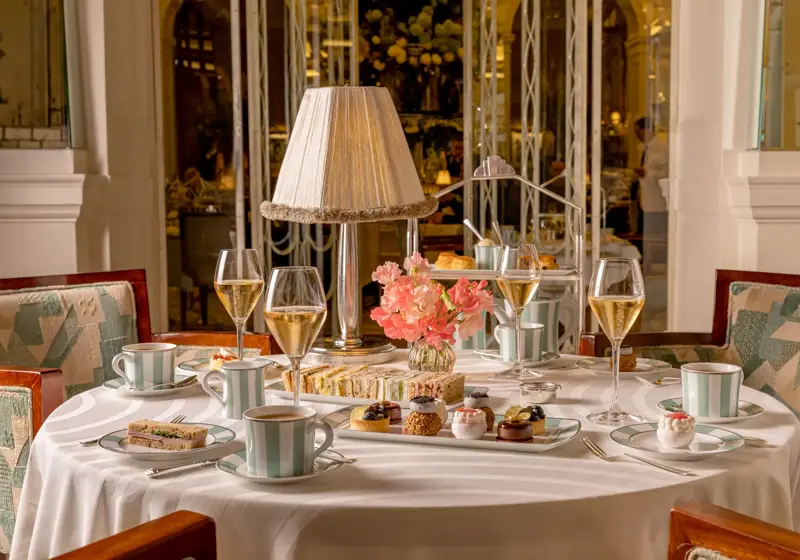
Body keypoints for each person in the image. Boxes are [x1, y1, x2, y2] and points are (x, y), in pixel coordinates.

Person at [633, 117, 669, 273]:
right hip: (647, 201)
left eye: (638, 131)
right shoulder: (648, 147)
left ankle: (653, 268)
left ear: (646, 129)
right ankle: (646, 266)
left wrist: (647, 173)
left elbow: (668, 173)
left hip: (657, 201)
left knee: (654, 239)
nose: (637, 135)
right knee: (647, 238)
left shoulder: (661, 146)